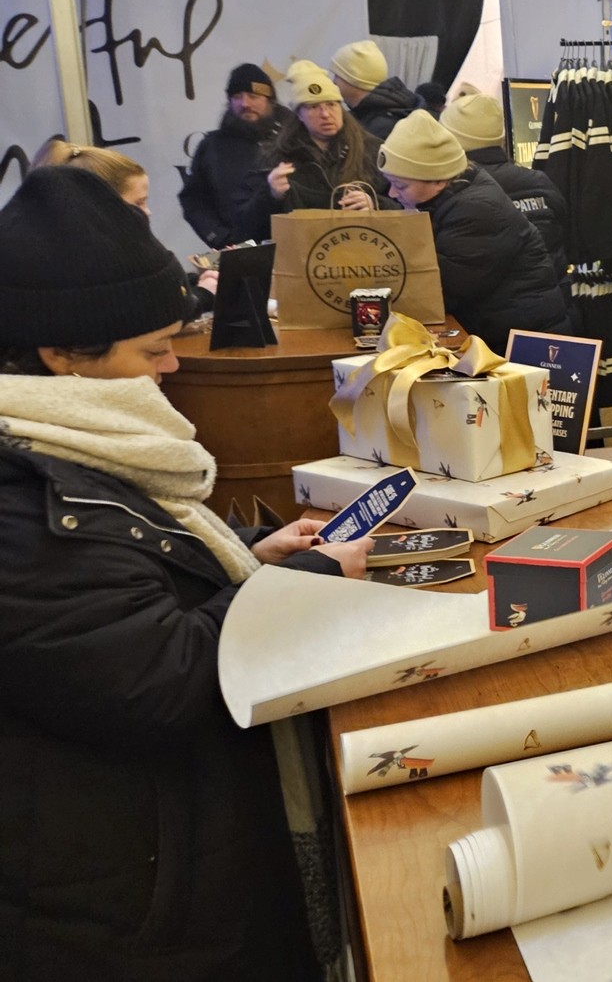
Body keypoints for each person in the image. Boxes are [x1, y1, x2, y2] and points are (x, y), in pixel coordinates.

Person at [0, 166, 374, 981]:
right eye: (155, 349)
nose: (173, 366)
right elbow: (158, 680)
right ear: (62, 353)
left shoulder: (78, 448)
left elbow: (137, 579)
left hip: (160, 870)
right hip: (130, 915)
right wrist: (301, 579)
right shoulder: (22, 502)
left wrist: (243, 559)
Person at [377, 110, 572, 348]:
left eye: (400, 185)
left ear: (438, 181)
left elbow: (440, 292)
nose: (392, 194)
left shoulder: (477, 212)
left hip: (520, 348)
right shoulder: (458, 194)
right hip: (502, 334)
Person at [32, 137, 219, 308]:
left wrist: (193, 282)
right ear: (100, 205)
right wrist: (204, 294)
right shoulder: (92, 264)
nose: (147, 211)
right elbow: (149, 311)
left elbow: (151, 288)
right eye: (139, 203)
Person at [238, 61, 388, 241]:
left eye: (331, 104)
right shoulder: (275, 157)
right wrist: (271, 195)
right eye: (313, 107)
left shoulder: (372, 150)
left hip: (363, 255)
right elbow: (246, 227)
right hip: (302, 259)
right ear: (299, 115)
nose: (325, 114)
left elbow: (407, 206)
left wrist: (375, 204)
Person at [441, 91, 573, 277]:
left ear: (450, 140)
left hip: (493, 303)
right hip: (552, 296)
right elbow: (564, 237)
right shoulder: (540, 181)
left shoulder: (458, 192)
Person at [179, 62, 282, 250]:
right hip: (237, 253)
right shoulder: (212, 147)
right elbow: (193, 201)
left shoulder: (289, 142)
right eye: (237, 97)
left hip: (290, 248)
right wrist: (219, 237)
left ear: (270, 101)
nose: (245, 104)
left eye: (254, 96)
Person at [331, 39, 420, 139]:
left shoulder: (380, 129)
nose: (333, 82)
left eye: (337, 76)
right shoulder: (373, 116)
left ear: (353, 79)